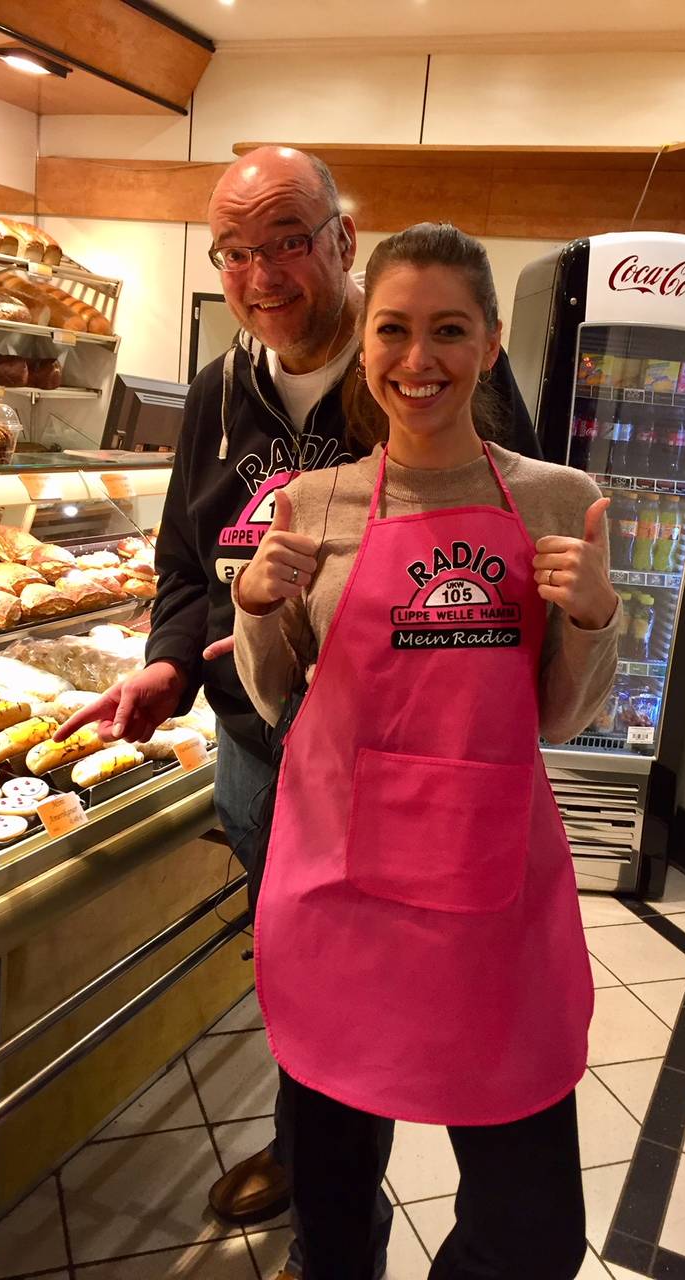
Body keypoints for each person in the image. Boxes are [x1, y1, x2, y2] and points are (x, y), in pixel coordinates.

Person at [57, 150, 542, 1280]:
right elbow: (187, 562)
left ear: (343, 238)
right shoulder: (217, 390)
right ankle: (312, 1165)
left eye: (286, 239)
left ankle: (358, 1174)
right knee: (299, 970)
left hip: (393, 759)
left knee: (394, 982)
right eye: (234, 251)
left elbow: (507, 544)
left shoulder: (419, 369)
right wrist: (169, 667)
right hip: (253, 740)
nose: (261, 273)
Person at [232, 222, 619, 1280]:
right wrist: (256, 604)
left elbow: (562, 718)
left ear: (491, 343)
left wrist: (593, 616)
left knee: (534, 1233)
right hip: (339, 895)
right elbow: (274, 694)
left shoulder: (555, 500)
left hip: (492, 896)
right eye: (394, 330)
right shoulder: (310, 505)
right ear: (364, 347)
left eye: (449, 330)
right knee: (332, 1210)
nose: (419, 358)